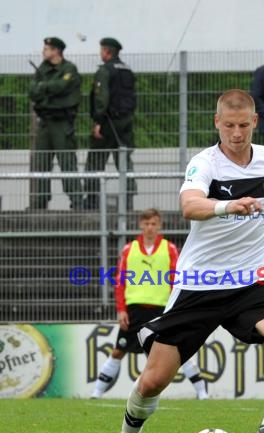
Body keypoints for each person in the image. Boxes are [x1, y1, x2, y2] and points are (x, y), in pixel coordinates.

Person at [99, 89, 264, 433]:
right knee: (153, 380)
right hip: (199, 284)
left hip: (253, 279)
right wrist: (227, 206)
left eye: (243, 125)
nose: (236, 133)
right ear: (217, 123)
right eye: (229, 126)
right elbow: (189, 205)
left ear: (255, 122)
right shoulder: (206, 164)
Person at [91, 208, 208, 400]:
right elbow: (120, 282)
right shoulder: (129, 249)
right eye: (146, 224)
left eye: (153, 224)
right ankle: (96, 393)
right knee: (118, 351)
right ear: (140, 225)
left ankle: (202, 393)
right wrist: (121, 309)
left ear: (159, 225)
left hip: (161, 309)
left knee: (178, 351)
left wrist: (175, 308)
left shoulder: (169, 248)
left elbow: (176, 279)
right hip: (135, 309)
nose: (150, 228)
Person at [28, 37, 83, 209]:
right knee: (41, 162)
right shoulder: (42, 68)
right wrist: (49, 89)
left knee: (67, 162)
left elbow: (62, 87)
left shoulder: (69, 69)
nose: (43, 52)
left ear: (56, 51)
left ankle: (77, 201)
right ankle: (40, 202)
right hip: (45, 122)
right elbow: (32, 92)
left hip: (62, 123)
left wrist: (44, 87)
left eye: (46, 49)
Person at [83, 38, 137, 210]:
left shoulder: (105, 71)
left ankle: (92, 201)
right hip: (126, 122)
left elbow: (102, 98)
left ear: (107, 52)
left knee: (95, 161)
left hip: (108, 122)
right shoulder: (127, 70)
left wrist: (98, 122)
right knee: (124, 161)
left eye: (101, 50)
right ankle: (128, 200)